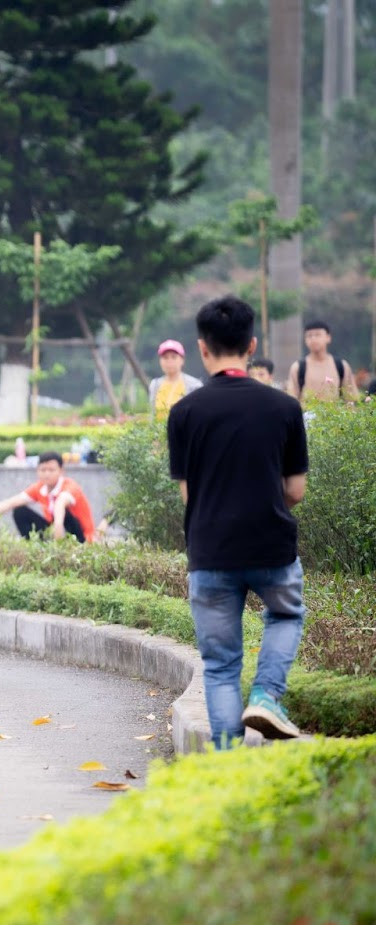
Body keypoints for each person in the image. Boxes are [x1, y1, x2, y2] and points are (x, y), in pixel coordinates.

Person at [167, 295, 308, 748]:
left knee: (221, 664)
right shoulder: (284, 408)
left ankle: (229, 761)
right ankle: (266, 694)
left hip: (210, 551)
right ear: (252, 345)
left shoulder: (184, 413)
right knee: (285, 613)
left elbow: (189, 494)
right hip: (272, 546)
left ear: (202, 349)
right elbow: (296, 491)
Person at [0, 451, 98, 543]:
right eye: (43, 470)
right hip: (55, 532)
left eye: (51, 470)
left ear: (61, 471)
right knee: (20, 511)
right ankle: (41, 547)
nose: (47, 474)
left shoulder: (70, 486)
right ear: (37, 471)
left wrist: (57, 526)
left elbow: (60, 503)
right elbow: (10, 503)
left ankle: (63, 548)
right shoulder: (40, 488)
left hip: (81, 536)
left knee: (63, 513)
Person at [287, 319, 357, 403]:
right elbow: (291, 400)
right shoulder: (298, 367)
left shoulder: (341, 365)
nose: (313, 339)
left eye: (318, 335)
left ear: (328, 338)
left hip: (335, 415)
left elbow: (351, 399)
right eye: (309, 336)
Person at [149, 338, 203, 419]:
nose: (169, 361)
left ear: (182, 360)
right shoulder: (155, 384)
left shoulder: (194, 386)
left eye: (173, 357)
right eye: (165, 357)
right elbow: (152, 415)